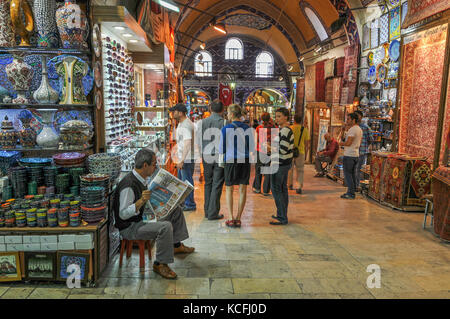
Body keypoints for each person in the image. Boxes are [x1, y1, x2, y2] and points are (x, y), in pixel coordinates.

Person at [113, 149, 195, 280]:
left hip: (141, 217)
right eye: (153, 164)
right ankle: (160, 264)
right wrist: (141, 201)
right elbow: (122, 214)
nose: (155, 167)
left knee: (176, 210)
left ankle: (176, 245)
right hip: (130, 227)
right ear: (145, 165)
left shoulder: (141, 178)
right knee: (165, 227)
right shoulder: (129, 184)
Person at [220, 104, 254, 228]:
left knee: (229, 188)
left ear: (232, 114)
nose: (227, 115)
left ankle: (230, 217)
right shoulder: (247, 128)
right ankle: (239, 218)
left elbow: (222, 148)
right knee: (242, 189)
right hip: (244, 160)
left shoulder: (226, 129)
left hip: (230, 160)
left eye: (228, 113)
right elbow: (251, 147)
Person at [198, 99, 227, 220]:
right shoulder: (224, 122)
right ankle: (213, 212)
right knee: (217, 184)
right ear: (223, 110)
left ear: (210, 109)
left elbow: (199, 140)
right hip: (219, 156)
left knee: (208, 183)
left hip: (206, 155)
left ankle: (207, 211)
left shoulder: (202, 122)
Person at [270, 108, 294, 225]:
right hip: (284, 163)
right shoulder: (285, 130)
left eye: (279, 116)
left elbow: (283, 150)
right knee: (283, 189)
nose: (277, 119)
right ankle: (282, 214)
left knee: (277, 189)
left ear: (285, 117)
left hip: (280, 163)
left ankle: (282, 216)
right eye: (276, 116)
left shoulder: (284, 131)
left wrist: (270, 148)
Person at [170, 103, 196, 211]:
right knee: (182, 182)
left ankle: (190, 204)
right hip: (183, 157)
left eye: (174, 111)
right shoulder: (181, 123)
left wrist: (182, 160)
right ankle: (185, 202)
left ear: (180, 113)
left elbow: (187, 143)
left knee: (186, 182)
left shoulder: (186, 125)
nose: (172, 113)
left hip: (187, 158)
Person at [339, 113, 363, 199]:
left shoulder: (353, 130)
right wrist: (343, 130)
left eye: (349, 119)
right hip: (355, 154)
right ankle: (351, 192)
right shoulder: (359, 129)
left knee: (348, 175)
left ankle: (350, 193)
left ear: (353, 120)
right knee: (352, 174)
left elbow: (348, 143)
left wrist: (340, 143)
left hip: (349, 155)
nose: (347, 121)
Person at [252, 112, 274, 196]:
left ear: (261, 119)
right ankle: (265, 190)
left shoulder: (258, 128)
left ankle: (257, 188)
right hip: (269, 151)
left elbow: (256, 141)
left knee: (258, 170)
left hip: (259, 150)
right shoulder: (272, 128)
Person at [287, 114, 310, 194]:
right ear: (301, 121)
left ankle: (289, 184)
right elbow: (307, 144)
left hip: (290, 152)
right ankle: (299, 186)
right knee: (300, 170)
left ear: (294, 120)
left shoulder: (290, 128)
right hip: (300, 152)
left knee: (290, 169)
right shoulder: (304, 130)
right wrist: (306, 154)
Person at [354, 110, 372, 190]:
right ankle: (355, 185)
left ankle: (357, 185)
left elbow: (370, 139)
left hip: (361, 151)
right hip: (354, 151)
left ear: (361, 117)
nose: (357, 117)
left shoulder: (365, 127)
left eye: (358, 116)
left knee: (358, 169)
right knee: (355, 169)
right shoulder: (353, 127)